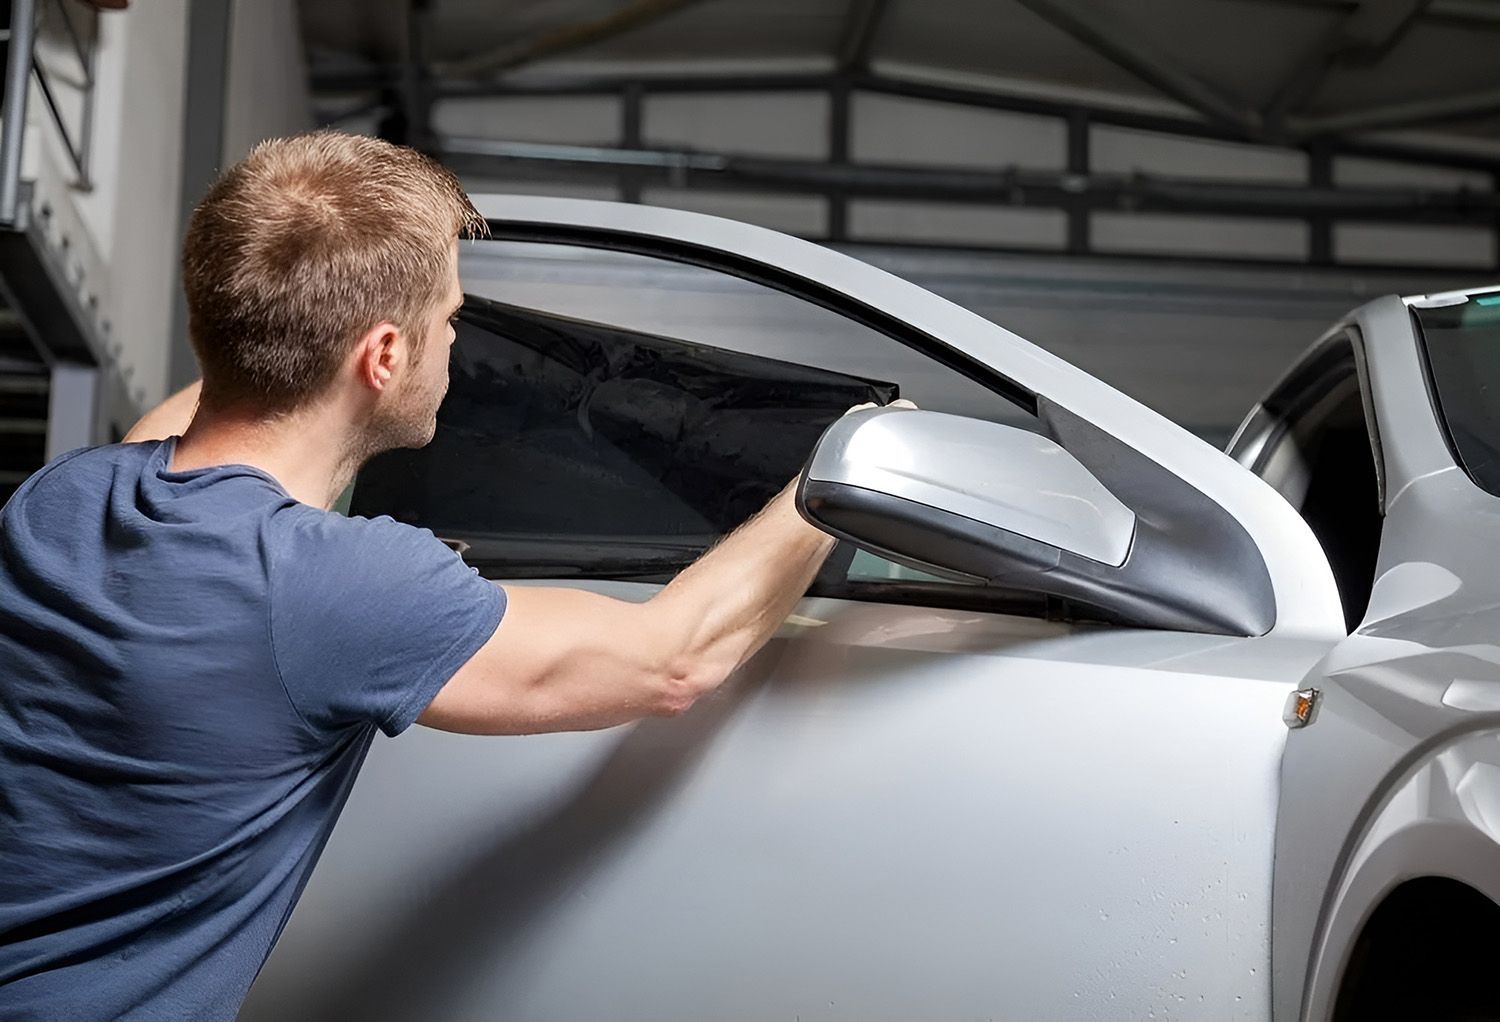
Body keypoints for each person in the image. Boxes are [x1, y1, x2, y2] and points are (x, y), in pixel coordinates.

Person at [0, 131, 886, 1020]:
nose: (459, 340)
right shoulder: (335, 585)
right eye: (454, 318)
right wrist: (846, 471)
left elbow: (214, 402)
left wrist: (290, 291)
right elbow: (670, 659)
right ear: (383, 358)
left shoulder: (61, 502)